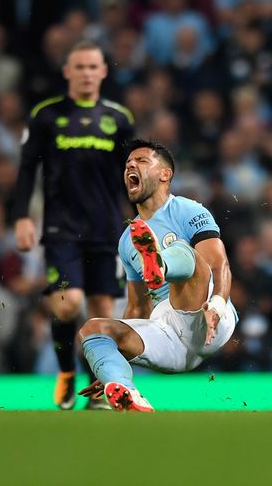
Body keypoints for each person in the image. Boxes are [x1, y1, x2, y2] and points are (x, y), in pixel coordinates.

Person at [9, 40, 135, 410]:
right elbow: (26, 169)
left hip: (106, 231)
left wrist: (145, 220)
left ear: (103, 71)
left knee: (101, 312)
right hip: (61, 231)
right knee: (67, 304)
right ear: (67, 72)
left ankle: (97, 390)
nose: (86, 74)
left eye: (92, 67)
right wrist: (20, 216)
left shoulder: (119, 118)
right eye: (79, 67)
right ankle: (66, 371)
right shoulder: (46, 115)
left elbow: (132, 176)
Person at [75, 139, 238, 412]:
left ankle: (161, 265)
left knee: (189, 255)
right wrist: (112, 362)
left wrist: (219, 304)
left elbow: (218, 264)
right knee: (92, 329)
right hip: (169, 335)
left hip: (207, 313)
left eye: (141, 161)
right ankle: (125, 391)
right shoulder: (127, 240)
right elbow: (138, 307)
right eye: (127, 163)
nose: (130, 166)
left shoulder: (188, 210)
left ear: (165, 174)